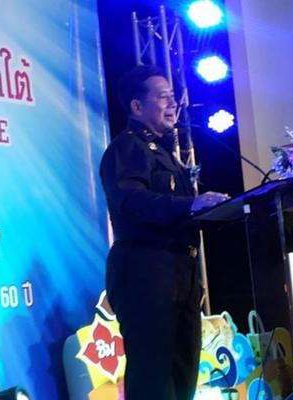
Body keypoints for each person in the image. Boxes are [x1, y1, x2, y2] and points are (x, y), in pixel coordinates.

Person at [100, 64, 229, 400]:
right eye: (163, 97)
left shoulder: (165, 153)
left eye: (173, 96)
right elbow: (132, 201)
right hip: (146, 272)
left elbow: (182, 210)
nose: (173, 103)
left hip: (180, 274)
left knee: (183, 374)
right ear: (136, 106)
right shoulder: (127, 148)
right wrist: (191, 205)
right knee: (153, 378)